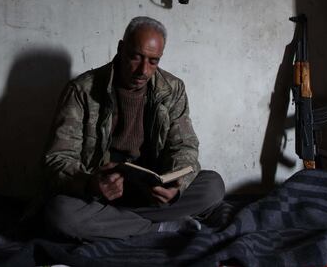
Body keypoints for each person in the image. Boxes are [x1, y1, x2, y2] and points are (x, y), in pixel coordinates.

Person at [42, 16, 226, 240]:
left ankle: (119, 224)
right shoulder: (82, 90)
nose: (143, 70)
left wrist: (176, 189)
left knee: (213, 185)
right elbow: (57, 159)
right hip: (102, 195)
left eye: (153, 61)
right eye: (136, 57)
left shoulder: (172, 89)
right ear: (121, 48)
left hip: (151, 193)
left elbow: (185, 146)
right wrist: (90, 184)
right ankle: (159, 227)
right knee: (60, 213)